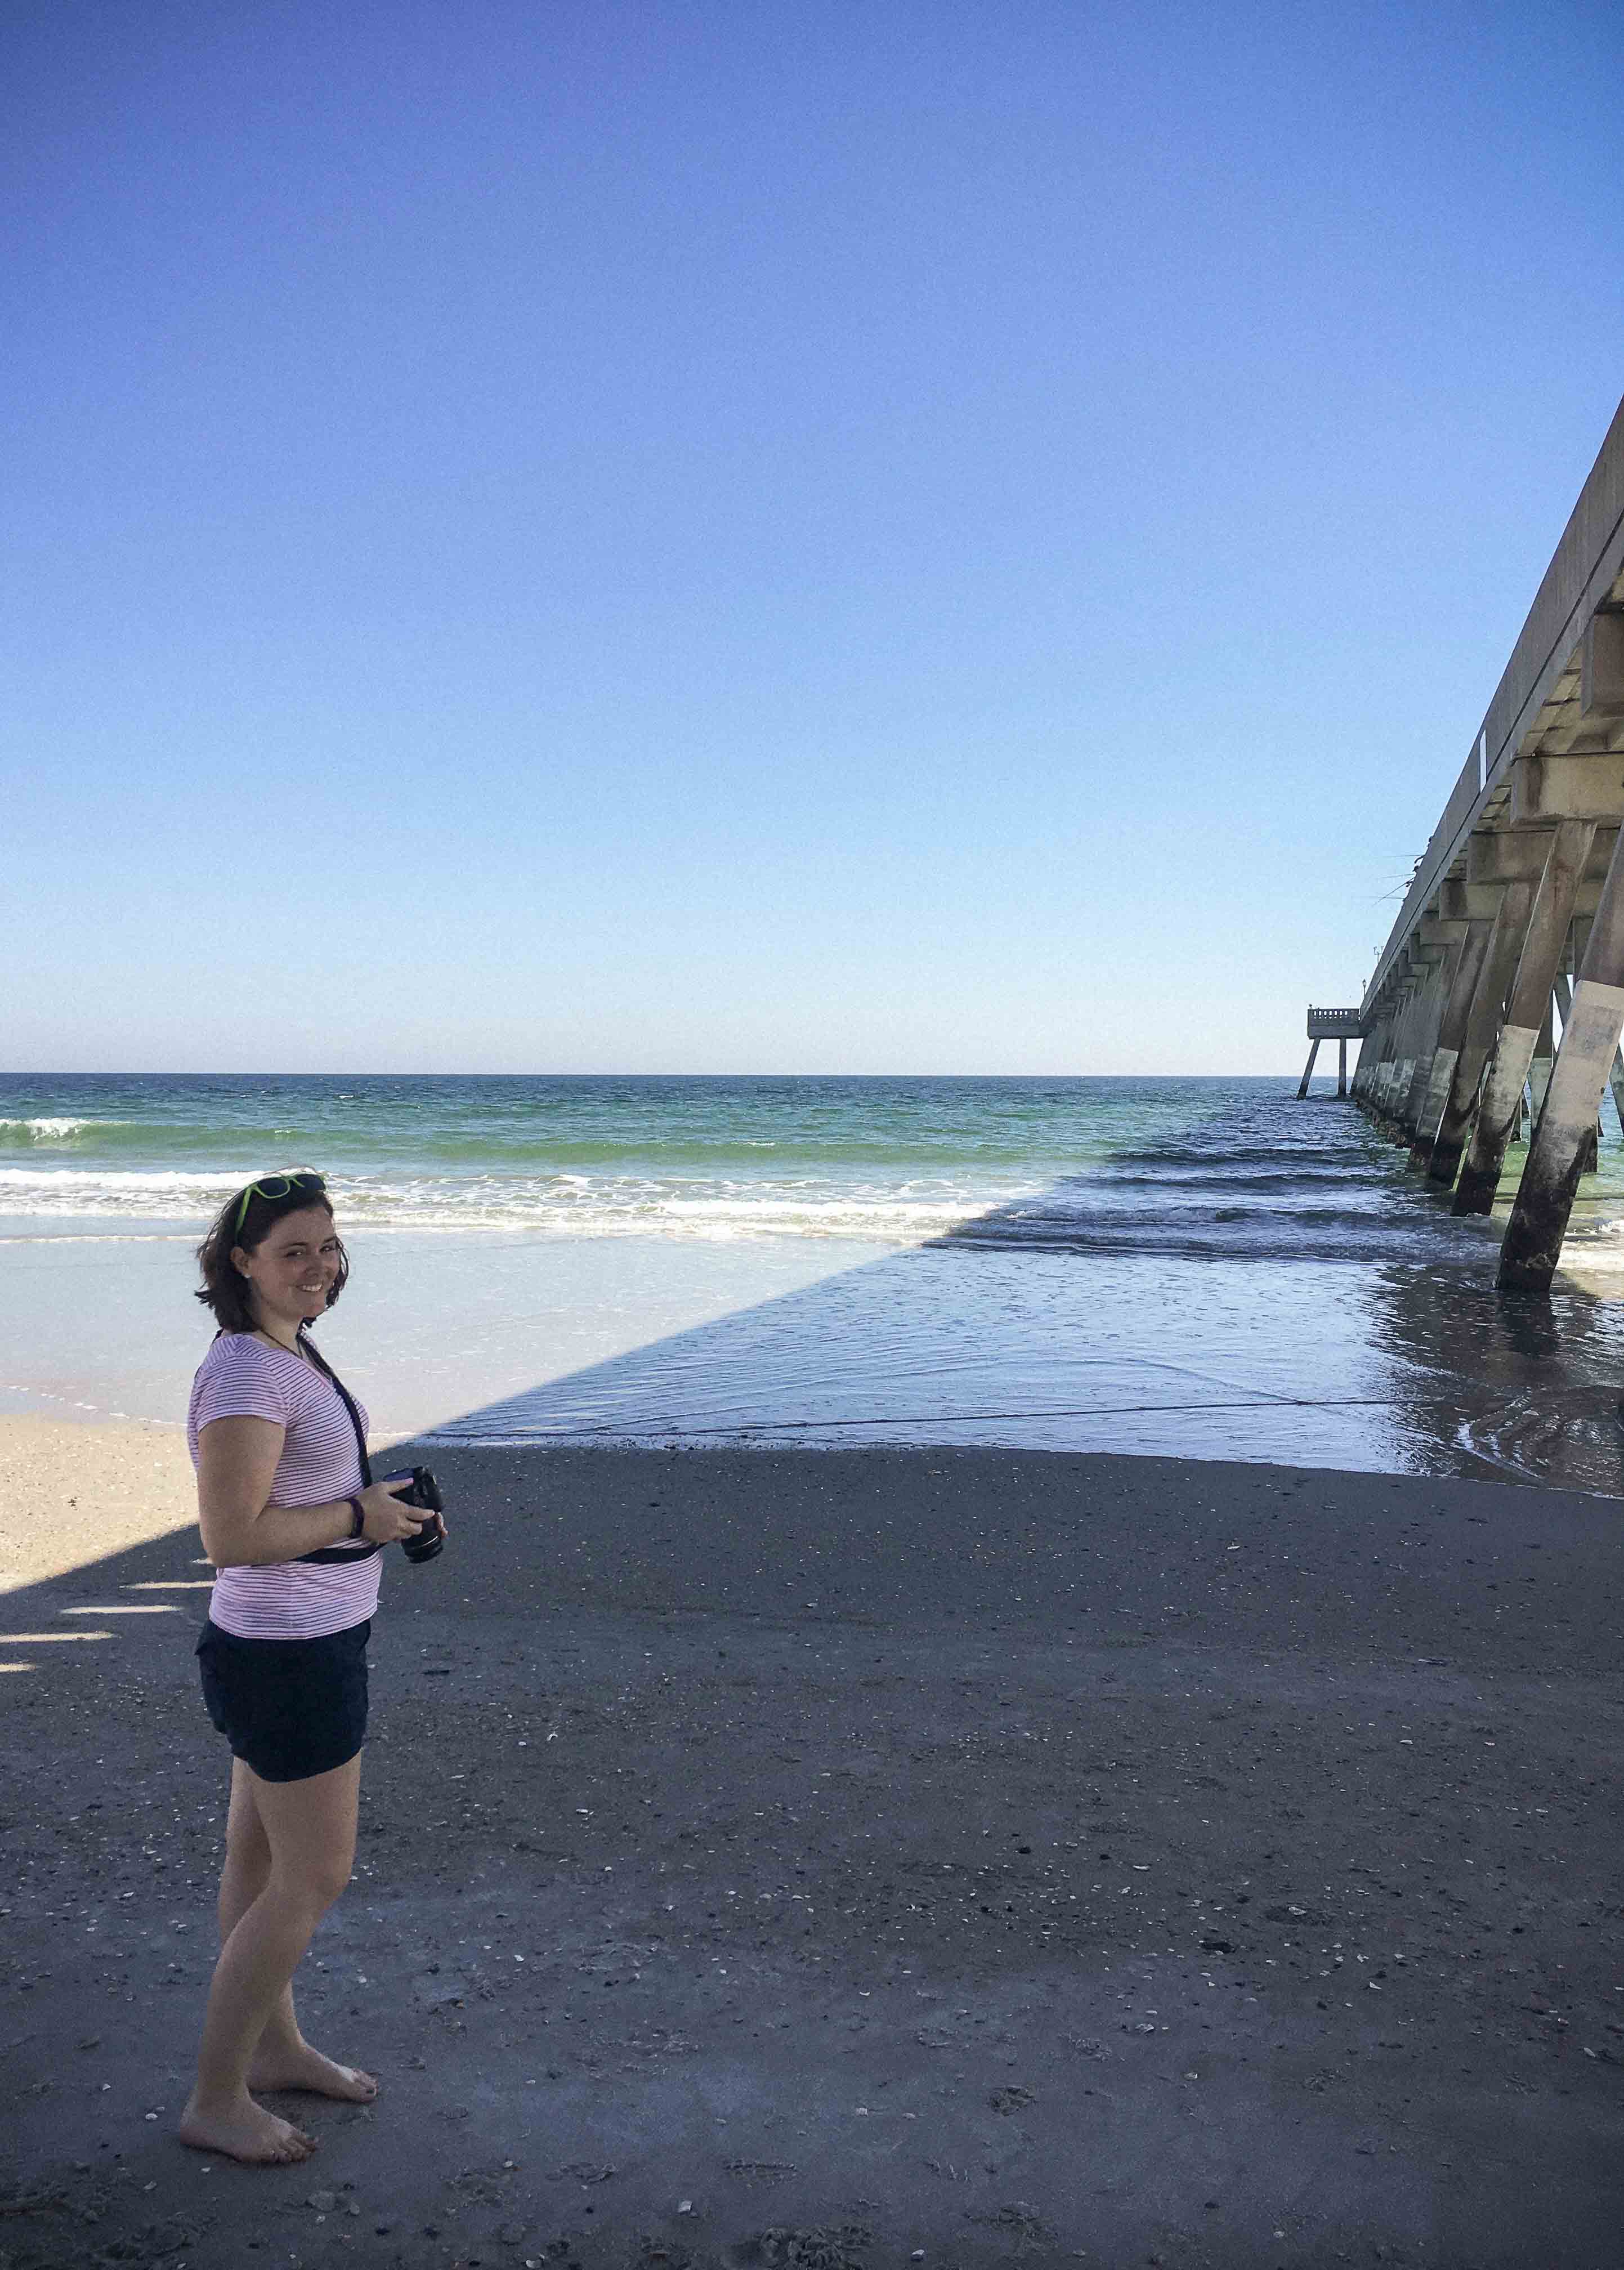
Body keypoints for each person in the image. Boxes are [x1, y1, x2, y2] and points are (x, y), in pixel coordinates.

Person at [178, 1171, 433, 2166]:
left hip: (293, 1642)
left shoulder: (285, 1350)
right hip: (288, 1656)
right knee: (316, 1876)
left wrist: (379, 1510)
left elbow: (294, 1495)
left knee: (260, 1866)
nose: (320, 1266)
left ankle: (272, 2051)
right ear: (240, 1261)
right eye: (294, 1250)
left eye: (328, 1247)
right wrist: (354, 1518)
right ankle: (215, 2097)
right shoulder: (246, 1372)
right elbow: (231, 1534)